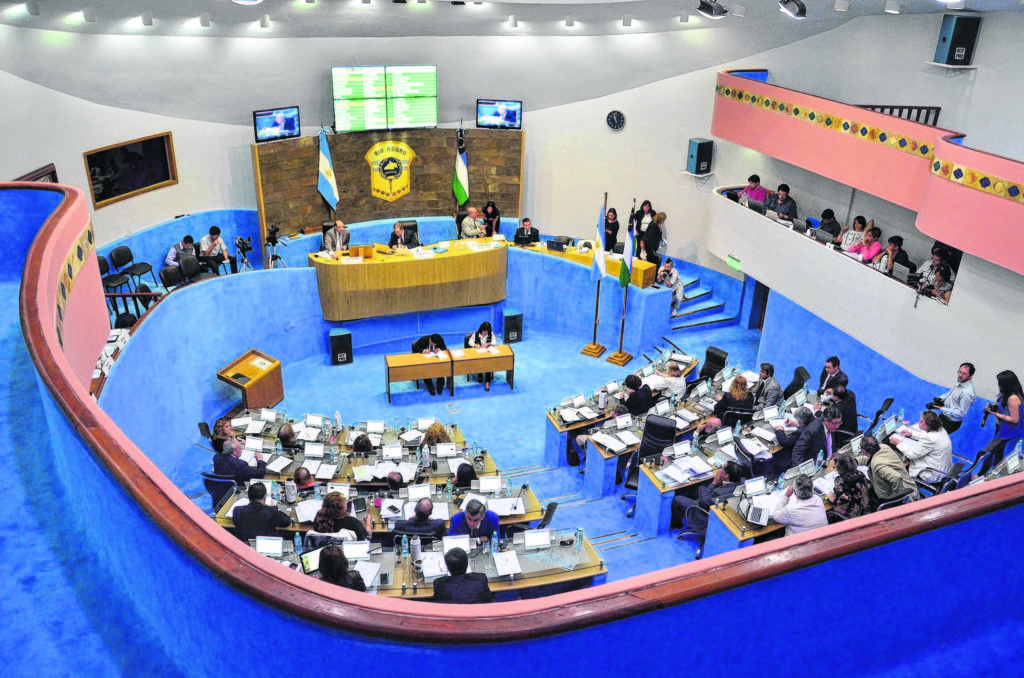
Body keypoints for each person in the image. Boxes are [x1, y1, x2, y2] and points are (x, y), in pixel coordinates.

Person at [670, 461, 746, 534]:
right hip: (714, 503)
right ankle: (687, 513)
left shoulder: (719, 492)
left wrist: (714, 483)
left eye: (722, 469)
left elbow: (701, 501)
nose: (719, 470)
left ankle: (677, 524)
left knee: (677, 500)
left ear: (726, 475)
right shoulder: (741, 481)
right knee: (697, 488)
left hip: (705, 512)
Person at [891, 410, 952, 484]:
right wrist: (912, 434)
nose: (919, 423)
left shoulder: (930, 439)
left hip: (931, 474)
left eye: (921, 421)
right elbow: (927, 436)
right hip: (943, 469)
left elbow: (911, 455)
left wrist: (898, 443)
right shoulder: (941, 430)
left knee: (900, 464)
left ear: (929, 425)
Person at [978, 370, 1023, 470]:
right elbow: (1003, 407)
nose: (998, 385)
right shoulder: (1004, 393)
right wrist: (993, 407)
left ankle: (980, 474)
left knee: (987, 452)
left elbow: (1015, 419)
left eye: (1000, 383)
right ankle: (995, 472)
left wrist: (996, 413)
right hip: (1000, 428)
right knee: (998, 452)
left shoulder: (1013, 399)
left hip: (1007, 432)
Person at [857, 435, 919, 506]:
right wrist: (855, 461)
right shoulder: (883, 447)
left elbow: (896, 478)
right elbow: (870, 459)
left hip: (905, 501)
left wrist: (896, 498)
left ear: (864, 451)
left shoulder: (877, 464)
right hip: (911, 489)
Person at [927, 362, 976, 434]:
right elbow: (950, 394)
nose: (960, 375)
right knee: (930, 433)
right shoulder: (961, 382)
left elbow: (961, 413)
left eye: (964, 374)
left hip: (951, 422)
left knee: (935, 438)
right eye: (959, 372)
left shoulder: (967, 393)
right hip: (943, 416)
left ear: (971, 376)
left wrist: (940, 408)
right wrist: (940, 398)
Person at [826, 452, 870, 523]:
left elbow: (844, 501)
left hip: (851, 517)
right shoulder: (860, 474)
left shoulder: (840, 481)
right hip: (865, 511)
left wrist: (832, 499)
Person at [825, 378, 858, 449]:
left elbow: (825, 414)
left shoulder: (837, 408)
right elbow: (847, 391)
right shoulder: (851, 396)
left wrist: (818, 409)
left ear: (836, 398)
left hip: (843, 432)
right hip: (853, 426)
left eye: (832, 394)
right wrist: (833, 390)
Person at [467, 321, 497, 391]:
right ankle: (480, 375)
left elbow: (494, 342)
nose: (485, 333)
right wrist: (475, 345)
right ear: (481, 329)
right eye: (484, 331)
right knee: (479, 362)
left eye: (486, 331)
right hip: (478, 353)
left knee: (488, 364)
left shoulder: (490, 334)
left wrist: (488, 344)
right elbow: (470, 342)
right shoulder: (476, 334)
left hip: (487, 353)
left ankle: (487, 382)